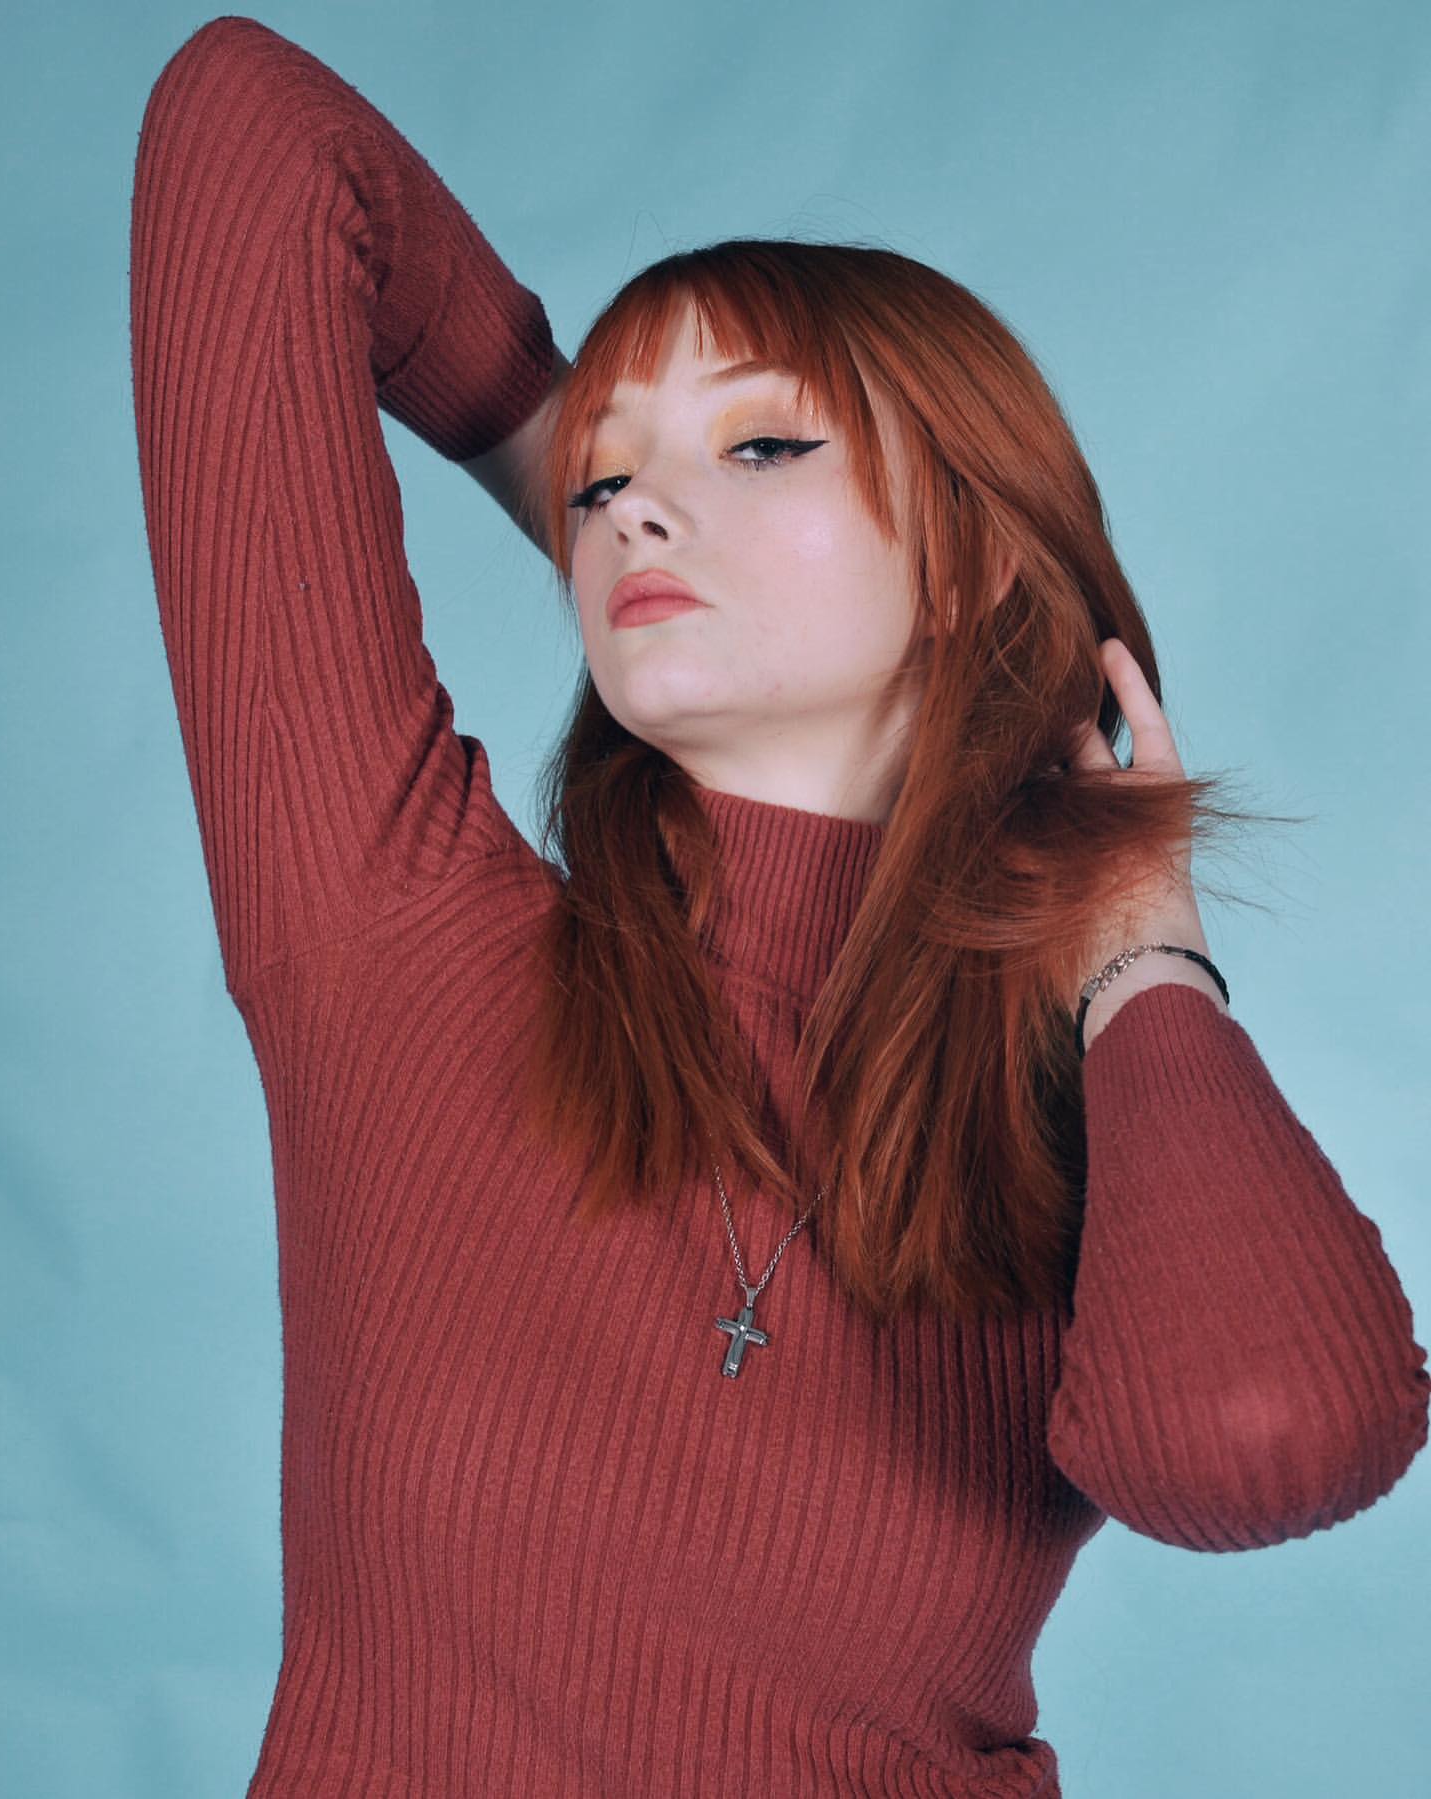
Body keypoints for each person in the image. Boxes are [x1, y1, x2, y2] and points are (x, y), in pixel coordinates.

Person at [129, 17, 1429, 1797]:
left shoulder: (1090, 1125)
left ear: (971, 561)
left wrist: (1137, 937)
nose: (640, 508)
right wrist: (575, 475)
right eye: (610, 475)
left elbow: (1270, 1441)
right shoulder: (396, 929)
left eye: (759, 449)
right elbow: (249, 130)